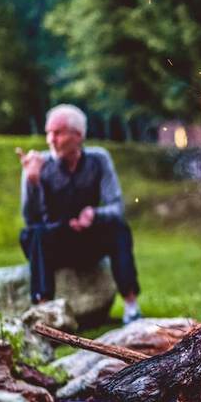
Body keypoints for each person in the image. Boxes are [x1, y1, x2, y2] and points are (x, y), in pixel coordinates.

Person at [18, 104, 142, 324]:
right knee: (34, 233)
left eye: (57, 133)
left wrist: (95, 214)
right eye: (48, 133)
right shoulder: (38, 164)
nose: (50, 140)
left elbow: (116, 206)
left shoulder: (99, 160)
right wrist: (32, 182)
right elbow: (31, 219)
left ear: (78, 135)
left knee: (119, 228)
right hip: (54, 244)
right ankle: (44, 309)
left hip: (88, 240)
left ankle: (131, 306)